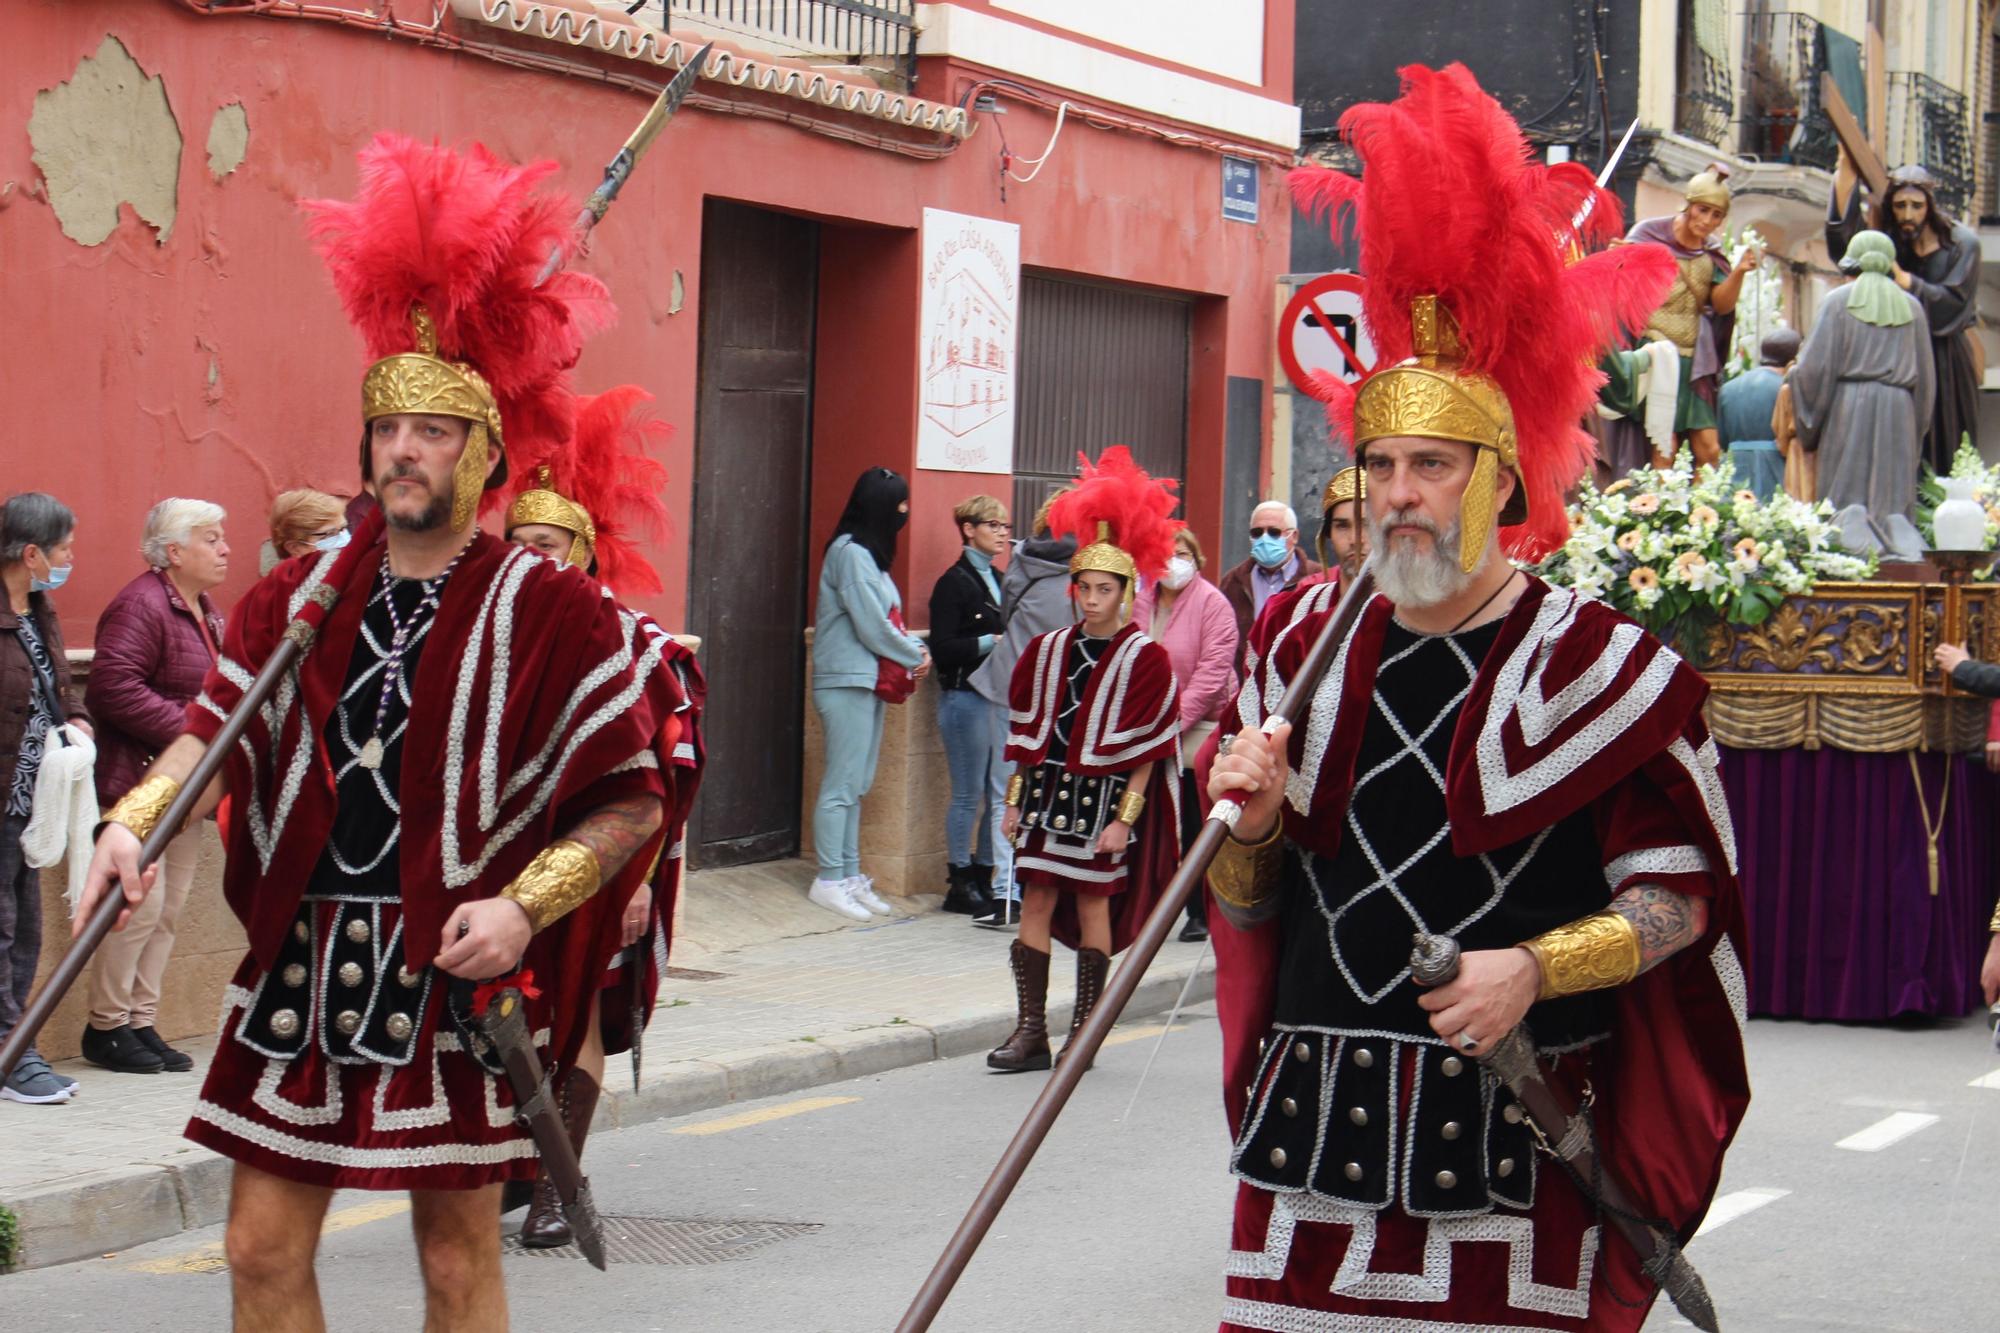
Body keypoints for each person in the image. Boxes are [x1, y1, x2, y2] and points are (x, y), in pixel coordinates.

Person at [74, 134, 683, 1329]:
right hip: (304, 954)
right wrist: (129, 820)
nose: (404, 451)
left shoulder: (548, 605)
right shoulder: (301, 593)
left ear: (484, 451)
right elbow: (216, 725)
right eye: (388, 432)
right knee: (256, 1248)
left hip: (449, 962)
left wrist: (521, 909)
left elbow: (631, 800)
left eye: (434, 433)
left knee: (456, 1260)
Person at [1210, 65, 1746, 1332]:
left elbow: (1673, 905)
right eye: (1378, 463)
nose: (1397, 492)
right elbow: (1254, 900)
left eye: (1431, 465)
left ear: (1499, 482)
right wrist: (1244, 829)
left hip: (1511, 1153)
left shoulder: (1603, 669)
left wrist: (1531, 968)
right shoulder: (1294, 642)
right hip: (1307, 1151)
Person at [502, 387, 706, 1248]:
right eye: (517, 545)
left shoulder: (638, 646)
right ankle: (510, 1165)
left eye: (546, 545)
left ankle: (560, 1182)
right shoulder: (491, 637)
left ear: (582, 553)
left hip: (605, 860)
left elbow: (667, 773)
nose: (530, 559)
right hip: (505, 863)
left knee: (579, 1011)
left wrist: (643, 882)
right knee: (508, 1013)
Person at [990, 447, 1182, 1073]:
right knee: (1037, 899)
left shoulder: (1146, 658)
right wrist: (1014, 803)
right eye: (1085, 588)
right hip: (1045, 797)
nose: (1092, 599)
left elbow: (1150, 749)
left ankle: (1084, 1033)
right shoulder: (1046, 650)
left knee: (1095, 904)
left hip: (1101, 804)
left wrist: (1125, 819)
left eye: (1105, 589)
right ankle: (1029, 1031)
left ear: (1128, 592)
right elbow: (1028, 740)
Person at [80, 498, 230, 1075]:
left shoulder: (205, 609)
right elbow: (112, 687)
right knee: (137, 910)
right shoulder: (141, 603)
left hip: (186, 792)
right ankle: (106, 1026)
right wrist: (194, 737)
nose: (225, 549)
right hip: (141, 782)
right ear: (174, 552)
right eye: (211, 539)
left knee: (166, 911)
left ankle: (140, 1020)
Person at [0, 493, 90, 1105]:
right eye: (62, 550)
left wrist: (78, 719)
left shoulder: (38, 609)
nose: (68, 559)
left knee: (25, 927)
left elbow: (59, 686)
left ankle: (17, 1041)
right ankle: (13, 1051)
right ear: (30, 553)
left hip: (35, 801)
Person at [810, 468, 930, 922]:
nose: (905, 512)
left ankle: (849, 874)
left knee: (856, 786)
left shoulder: (866, 555)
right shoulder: (851, 554)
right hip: (845, 679)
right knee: (841, 785)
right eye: (900, 503)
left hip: (864, 679)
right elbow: (870, 622)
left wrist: (907, 651)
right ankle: (829, 879)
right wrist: (914, 650)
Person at [965, 490, 1078, 930]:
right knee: (1055, 789)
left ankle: (1004, 891)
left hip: (1011, 684)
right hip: (1062, 693)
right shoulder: (1090, 572)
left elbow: (1006, 615)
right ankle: (1048, 886)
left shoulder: (1021, 562)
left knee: (1003, 791)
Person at [1828, 159, 1980, 475]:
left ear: (1931, 205)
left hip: (1946, 358)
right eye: (1899, 206)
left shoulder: (1962, 244)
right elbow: (1848, 250)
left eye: (1916, 205)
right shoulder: (1891, 240)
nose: (1907, 215)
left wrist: (1907, 282)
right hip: (1896, 351)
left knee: (1946, 447)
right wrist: (1845, 169)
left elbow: (1955, 305)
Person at [1790, 230, 1933, 561]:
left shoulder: (1837, 302)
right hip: (1901, 409)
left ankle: (1854, 538)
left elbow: (1814, 369)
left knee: (1846, 492)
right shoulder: (1913, 308)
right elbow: (1926, 381)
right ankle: (1899, 538)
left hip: (1848, 405)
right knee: (1894, 494)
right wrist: (1918, 428)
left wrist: (1793, 378)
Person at [1131, 526, 1237, 942]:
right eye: (1166, 553)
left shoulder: (1214, 604)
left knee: (1195, 823)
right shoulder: (1141, 602)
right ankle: (1146, 908)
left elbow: (1212, 673)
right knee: (1149, 821)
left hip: (1197, 728)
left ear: (1197, 558)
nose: (1174, 561)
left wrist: (1175, 723)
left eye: (1182, 553)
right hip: (1147, 728)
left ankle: (1199, 911)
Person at [1623, 168, 1762, 467]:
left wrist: (1738, 272)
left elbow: (1720, 307)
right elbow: (1623, 286)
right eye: (1703, 210)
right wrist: (1618, 263)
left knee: (1709, 449)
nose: (1707, 221)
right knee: (1665, 446)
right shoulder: (1648, 237)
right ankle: (1655, 512)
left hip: (1694, 361)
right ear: (1688, 204)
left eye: (1716, 215)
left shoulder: (1711, 252)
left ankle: (1702, 513)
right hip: (1657, 354)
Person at [929, 495, 1010, 916]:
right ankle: (959, 879)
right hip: (964, 697)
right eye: (993, 525)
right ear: (969, 528)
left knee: (995, 792)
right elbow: (942, 647)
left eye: (1004, 527)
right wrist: (988, 642)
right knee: (968, 794)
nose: (1001, 533)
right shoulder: (953, 582)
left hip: (995, 699)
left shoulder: (999, 577)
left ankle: (984, 870)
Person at [1218, 500, 1322, 671]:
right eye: (1257, 532)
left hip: (1299, 681)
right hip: (1247, 684)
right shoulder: (1232, 582)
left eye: (1274, 532)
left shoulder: (1318, 578)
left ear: (1294, 536)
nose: (1264, 539)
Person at [1717, 328, 1800, 503]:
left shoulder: (1729, 389)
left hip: (1733, 469)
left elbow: (1722, 440)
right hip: (1775, 470)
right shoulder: (1788, 390)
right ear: (1792, 361)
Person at [262, 488, 349, 573]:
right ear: (295, 548)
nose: (343, 539)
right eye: (330, 534)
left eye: (343, 529)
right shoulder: (289, 586)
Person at [1315, 465, 1367, 583]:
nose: (1355, 540)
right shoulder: (1301, 600)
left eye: (1367, 525)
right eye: (1342, 526)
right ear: (1328, 533)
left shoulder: (1415, 600)